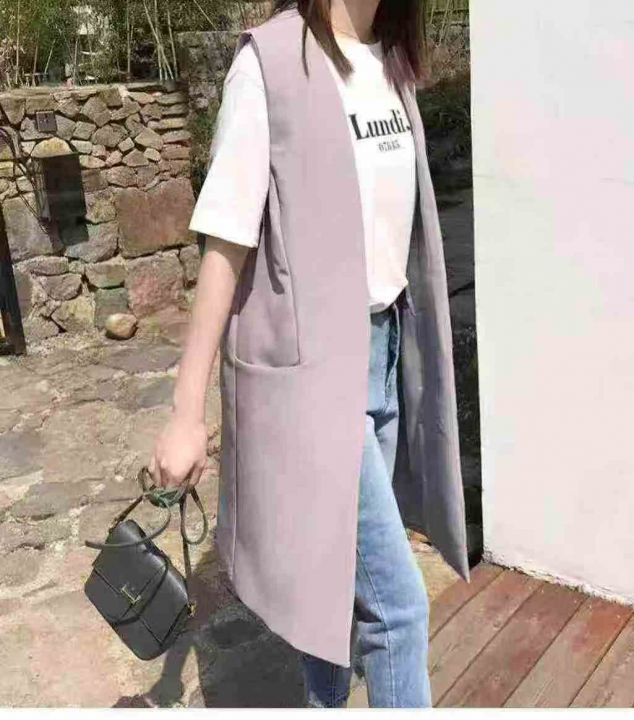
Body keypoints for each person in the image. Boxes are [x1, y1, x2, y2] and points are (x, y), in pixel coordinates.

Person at [148, 0, 469, 708]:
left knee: (338, 590)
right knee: (399, 609)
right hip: (315, 380)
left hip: (385, 354)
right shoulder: (269, 63)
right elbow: (226, 242)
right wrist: (185, 411)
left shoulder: (390, 62)